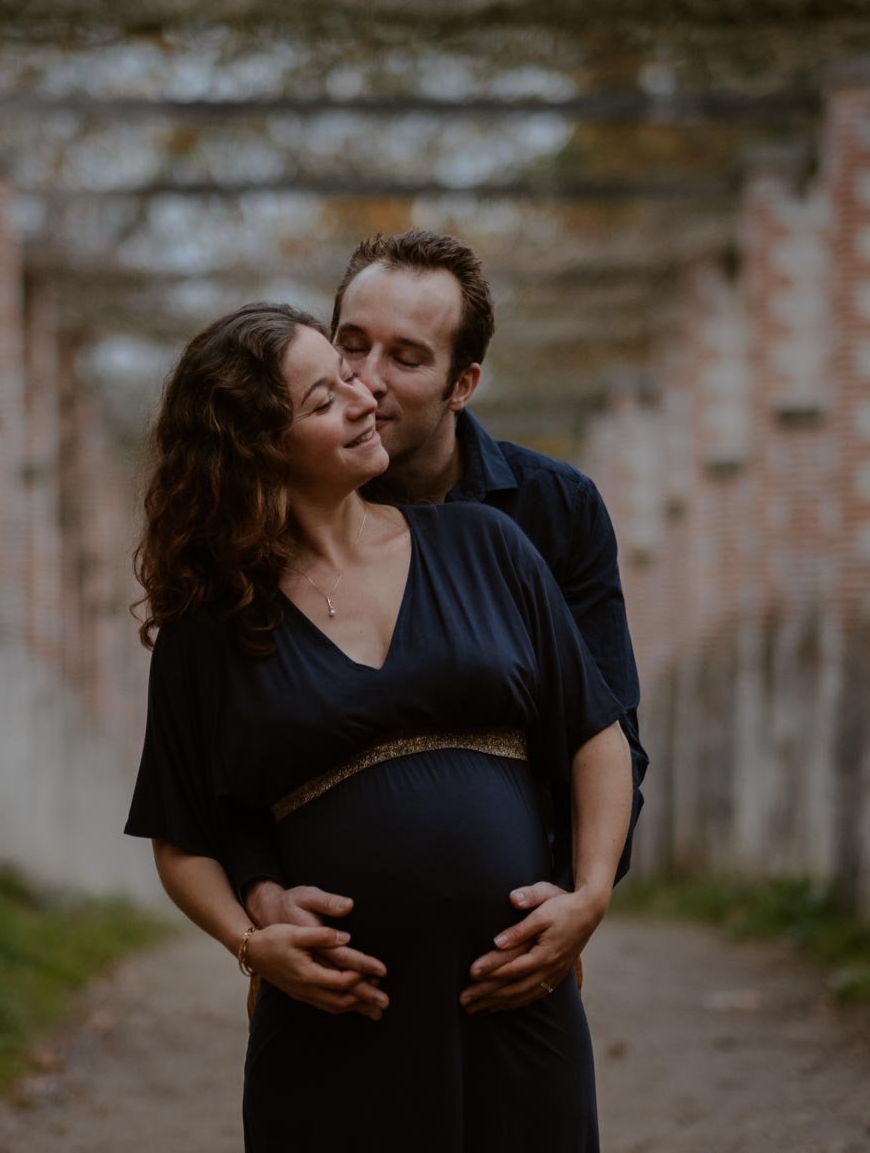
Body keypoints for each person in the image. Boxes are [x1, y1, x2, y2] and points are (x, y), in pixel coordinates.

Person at [124, 302, 633, 1150]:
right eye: (323, 401)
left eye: (350, 379)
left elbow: (594, 734)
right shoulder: (207, 629)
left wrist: (589, 896)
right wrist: (252, 948)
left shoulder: (489, 546)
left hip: (518, 1001)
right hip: (333, 1026)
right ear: (254, 453)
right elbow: (181, 840)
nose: (364, 399)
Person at [226, 229, 648, 1017]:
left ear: (463, 383)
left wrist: (574, 903)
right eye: (350, 345)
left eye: (407, 358)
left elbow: (606, 728)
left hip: (512, 957)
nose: (366, 380)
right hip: (331, 973)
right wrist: (260, 900)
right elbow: (227, 749)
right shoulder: (266, 527)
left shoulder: (552, 513)